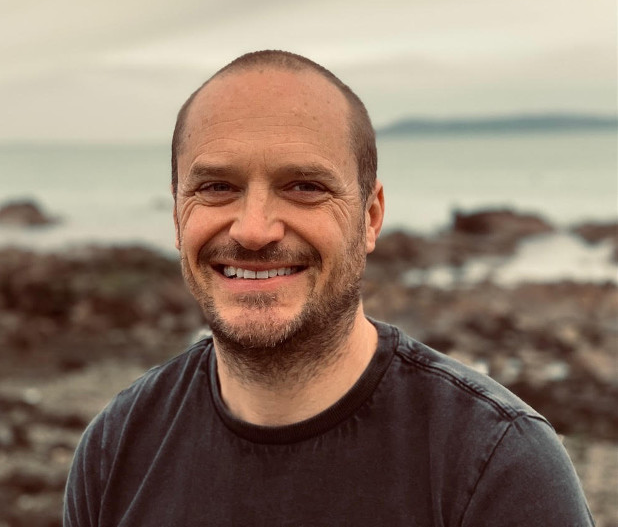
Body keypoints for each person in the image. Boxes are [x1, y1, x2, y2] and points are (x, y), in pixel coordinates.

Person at [64, 50, 594, 526]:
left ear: (370, 216)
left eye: (304, 186)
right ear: (178, 215)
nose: (253, 229)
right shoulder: (116, 449)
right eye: (217, 187)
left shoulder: (496, 465)